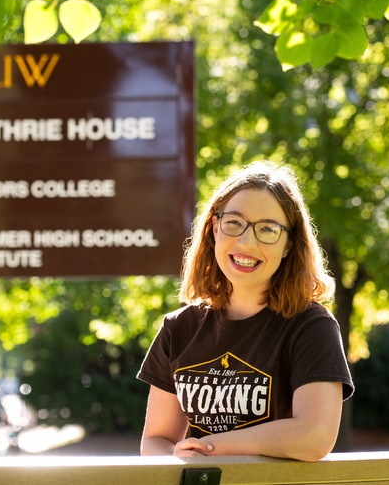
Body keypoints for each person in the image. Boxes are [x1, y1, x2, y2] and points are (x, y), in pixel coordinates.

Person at [137, 160, 354, 461]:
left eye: (267, 229)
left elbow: (315, 436)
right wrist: (177, 461)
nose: (246, 242)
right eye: (234, 223)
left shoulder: (311, 327)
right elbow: (156, 440)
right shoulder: (178, 329)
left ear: (289, 244)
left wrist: (209, 448)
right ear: (215, 227)